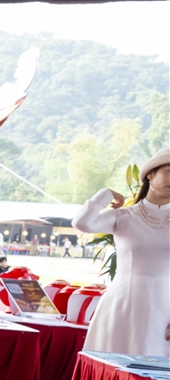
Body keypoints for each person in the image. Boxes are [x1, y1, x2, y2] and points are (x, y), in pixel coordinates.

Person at [73, 150, 170, 357]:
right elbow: (82, 223)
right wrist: (104, 195)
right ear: (150, 174)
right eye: (169, 171)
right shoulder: (124, 216)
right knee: (110, 372)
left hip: (164, 311)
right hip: (120, 304)